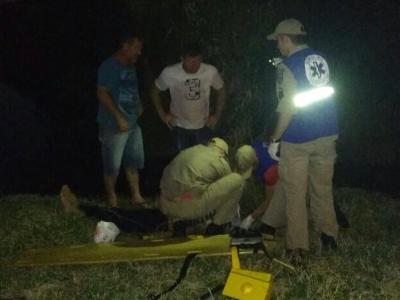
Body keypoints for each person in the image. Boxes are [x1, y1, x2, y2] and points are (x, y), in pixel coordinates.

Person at [265, 18, 339, 260]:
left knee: (295, 192)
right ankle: (329, 236)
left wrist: (275, 138)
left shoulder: (287, 66)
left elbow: (288, 106)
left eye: (278, 41)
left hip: (298, 139)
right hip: (327, 133)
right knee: (322, 188)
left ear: (285, 38)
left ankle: (297, 247)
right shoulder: (321, 59)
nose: (277, 46)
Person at [159, 137, 249, 236]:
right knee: (237, 180)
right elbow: (229, 190)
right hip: (188, 205)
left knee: (189, 188)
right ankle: (217, 227)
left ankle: (179, 223)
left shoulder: (190, 151)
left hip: (166, 205)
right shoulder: (219, 159)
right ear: (223, 151)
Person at [96, 30, 145, 207]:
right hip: (113, 124)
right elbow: (102, 93)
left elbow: (132, 88)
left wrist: (138, 104)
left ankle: (136, 196)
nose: (139, 52)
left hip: (132, 123)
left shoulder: (130, 66)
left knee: (133, 161)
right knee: (112, 164)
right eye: (136, 48)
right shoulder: (109, 66)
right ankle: (112, 198)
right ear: (125, 46)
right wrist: (118, 118)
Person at [151, 43, 226, 151]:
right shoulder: (170, 72)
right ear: (182, 58)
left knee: (201, 161)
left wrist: (216, 116)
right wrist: (162, 114)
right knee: (181, 161)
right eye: (190, 60)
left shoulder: (210, 71)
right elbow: (154, 91)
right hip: (179, 127)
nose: (194, 64)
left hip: (203, 126)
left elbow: (222, 90)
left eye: (198, 60)